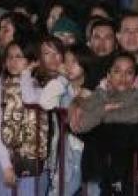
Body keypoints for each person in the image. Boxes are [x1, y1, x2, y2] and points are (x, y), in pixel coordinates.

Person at [72, 52, 138, 195]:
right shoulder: (100, 94)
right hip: (98, 170)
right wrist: (103, 109)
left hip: (133, 171)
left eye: (129, 72)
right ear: (108, 75)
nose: (123, 77)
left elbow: (135, 115)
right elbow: (81, 125)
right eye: (117, 71)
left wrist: (101, 115)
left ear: (136, 77)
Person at [0, 39, 48, 196]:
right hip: (2, 157)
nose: (13, 61)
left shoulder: (38, 86)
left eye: (19, 57)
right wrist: (6, 165)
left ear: (32, 61)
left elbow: (30, 99)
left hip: (30, 158)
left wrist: (25, 76)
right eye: (10, 57)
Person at [39, 44, 94, 196]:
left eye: (74, 62)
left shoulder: (93, 90)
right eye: (66, 61)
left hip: (88, 149)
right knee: (63, 187)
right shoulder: (62, 87)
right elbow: (45, 101)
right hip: (65, 150)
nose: (69, 66)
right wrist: (62, 78)